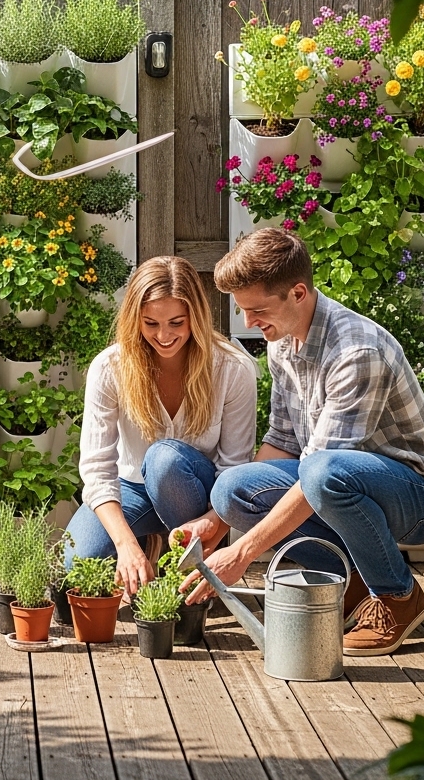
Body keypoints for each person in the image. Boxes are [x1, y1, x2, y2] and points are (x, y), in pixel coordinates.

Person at [181, 228, 424, 656]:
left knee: (323, 472)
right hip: (341, 482)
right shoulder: (283, 344)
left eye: (256, 310)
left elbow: (320, 472)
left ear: (297, 292)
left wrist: (243, 552)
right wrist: (218, 523)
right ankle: (350, 588)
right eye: (243, 310)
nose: (248, 323)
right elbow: (282, 441)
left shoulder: (356, 351)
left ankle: (397, 598)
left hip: (423, 497)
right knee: (232, 488)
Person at [66, 255, 257, 596]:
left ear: (195, 317)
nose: (164, 335)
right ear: (134, 319)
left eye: (176, 322)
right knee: (74, 568)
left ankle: (185, 563)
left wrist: (212, 527)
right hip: (132, 491)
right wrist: (125, 545)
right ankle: (145, 545)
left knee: (164, 459)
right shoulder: (110, 367)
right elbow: (97, 469)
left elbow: (235, 470)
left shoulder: (232, 368)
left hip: (196, 496)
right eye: (150, 323)